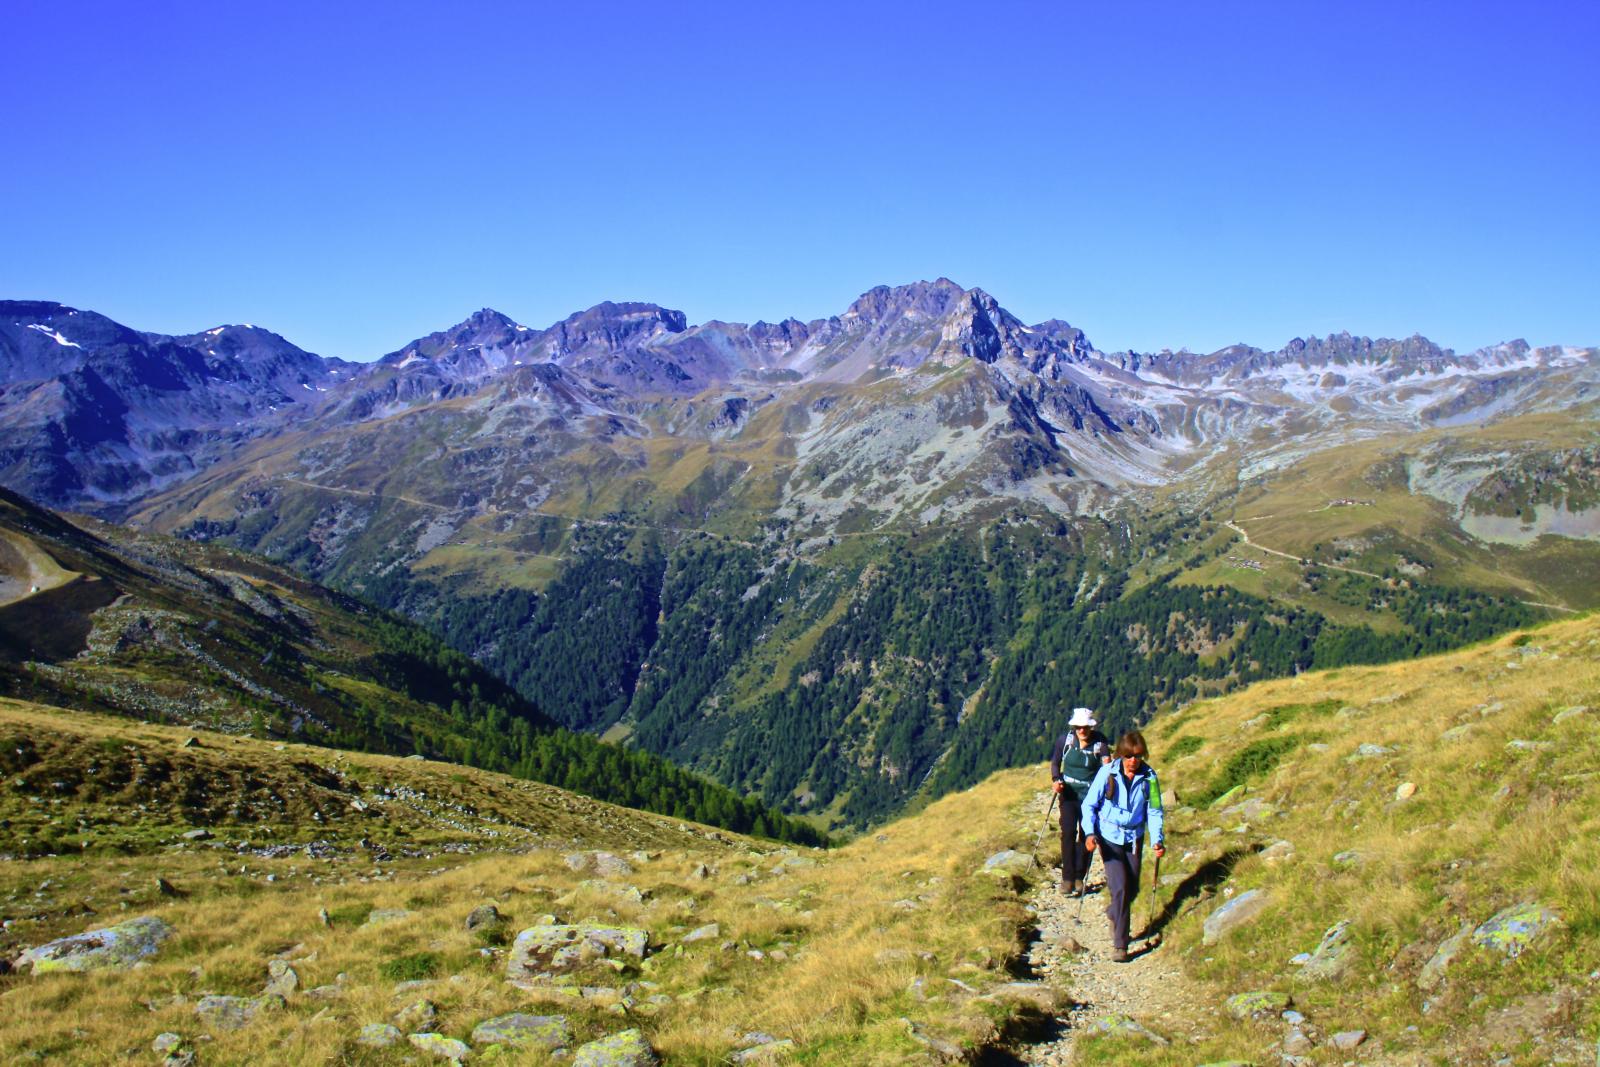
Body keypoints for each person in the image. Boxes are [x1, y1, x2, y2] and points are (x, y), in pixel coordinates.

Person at [1082, 730, 1165, 963]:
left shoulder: (1150, 777)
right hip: (1108, 837)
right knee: (1120, 888)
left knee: (1133, 889)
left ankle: (1113, 913)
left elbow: (1155, 810)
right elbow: (1089, 804)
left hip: (1134, 838)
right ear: (1121, 754)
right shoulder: (1107, 772)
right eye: (1129, 756)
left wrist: (1157, 839)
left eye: (1138, 756)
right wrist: (1090, 833)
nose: (1133, 761)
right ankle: (1121, 944)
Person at [1049, 707, 1110, 894]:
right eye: (1078, 727)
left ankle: (1078, 877)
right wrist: (1056, 780)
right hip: (1068, 794)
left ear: (1091, 727)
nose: (1081, 730)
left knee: (1086, 835)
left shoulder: (1100, 743)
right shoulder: (1065, 741)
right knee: (1067, 832)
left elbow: (1107, 767)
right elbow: (1055, 763)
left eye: (1084, 727)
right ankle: (1067, 878)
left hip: (1090, 798)